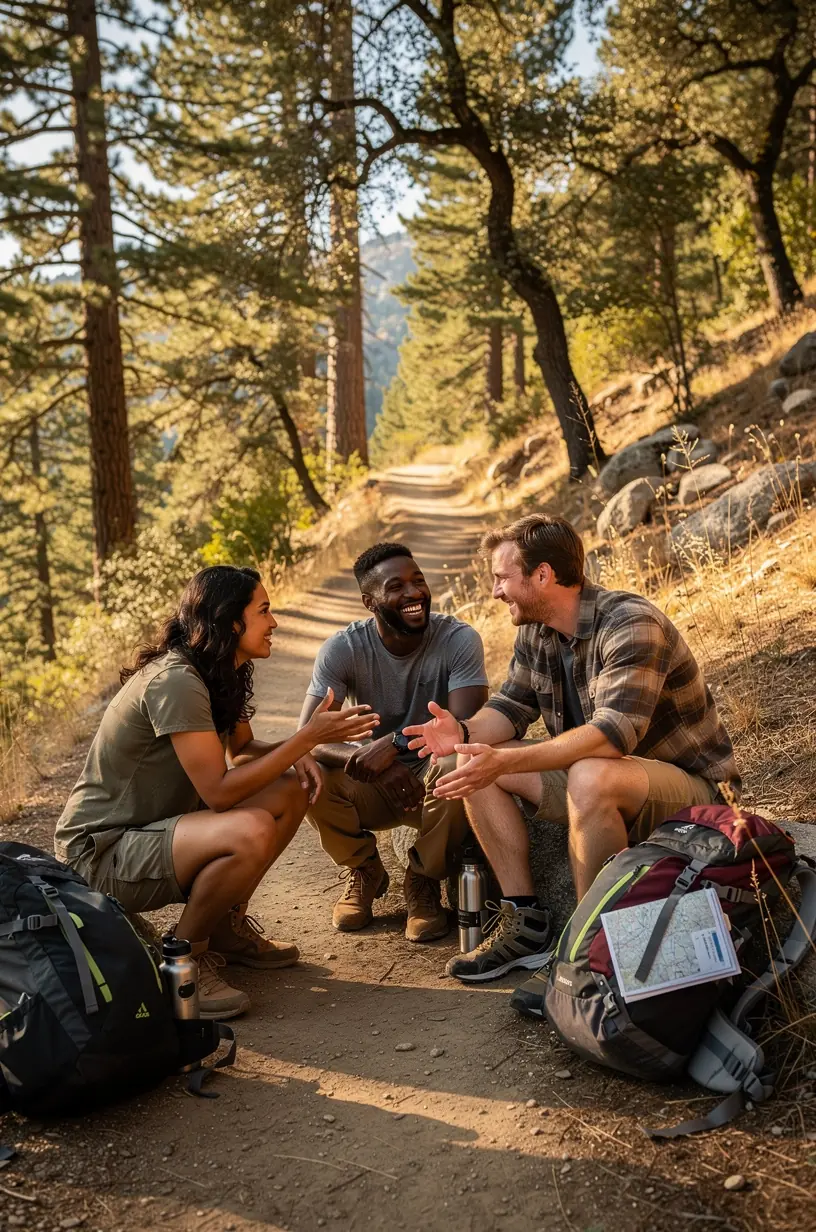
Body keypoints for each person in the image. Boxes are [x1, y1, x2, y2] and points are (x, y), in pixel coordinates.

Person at [404, 513, 740, 990]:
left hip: (692, 796)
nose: (495, 591)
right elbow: (509, 708)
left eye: (502, 578)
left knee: (588, 773)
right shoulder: (537, 631)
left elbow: (612, 735)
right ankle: (526, 923)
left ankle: (585, 956)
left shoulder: (630, 622)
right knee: (476, 757)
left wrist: (511, 759)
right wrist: (460, 731)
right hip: (605, 778)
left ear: (542, 575)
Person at [55, 565, 379, 1019]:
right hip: (101, 853)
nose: (274, 622)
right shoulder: (177, 681)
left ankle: (225, 930)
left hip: (150, 832)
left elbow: (242, 749)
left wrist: (293, 753)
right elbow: (221, 792)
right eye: (264, 611)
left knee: (288, 789)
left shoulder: (218, 669)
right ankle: (182, 960)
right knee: (247, 830)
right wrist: (304, 740)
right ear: (231, 622)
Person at [299, 542, 488, 941]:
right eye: (396, 586)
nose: (413, 593)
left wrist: (394, 743)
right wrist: (374, 760)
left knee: (462, 764)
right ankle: (365, 871)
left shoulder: (458, 639)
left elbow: (465, 728)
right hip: (377, 781)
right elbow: (309, 739)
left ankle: (422, 880)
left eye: (418, 581)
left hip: (436, 776)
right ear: (370, 601)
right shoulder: (344, 648)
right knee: (302, 776)